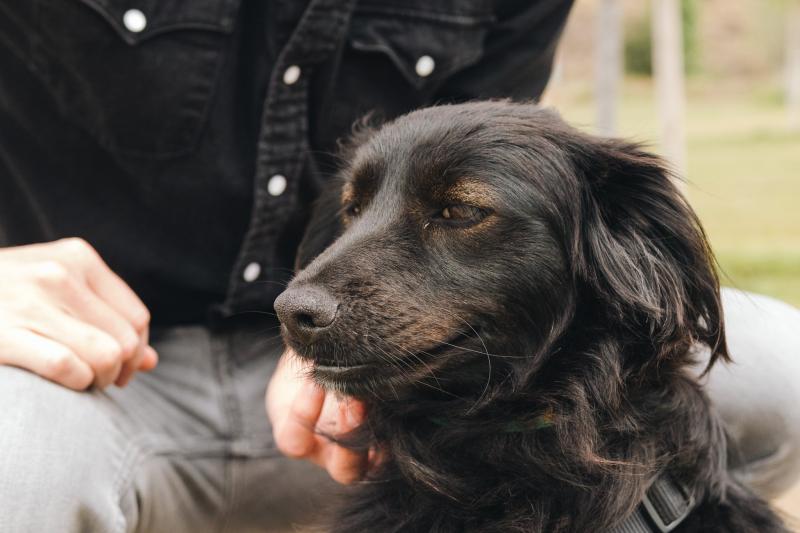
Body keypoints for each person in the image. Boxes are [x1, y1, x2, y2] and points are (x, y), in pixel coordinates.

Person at [0, 1, 798, 531]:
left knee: (784, 364)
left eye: (459, 210)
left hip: (342, 379)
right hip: (96, 374)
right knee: (13, 459)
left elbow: (508, 151)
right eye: (355, 207)